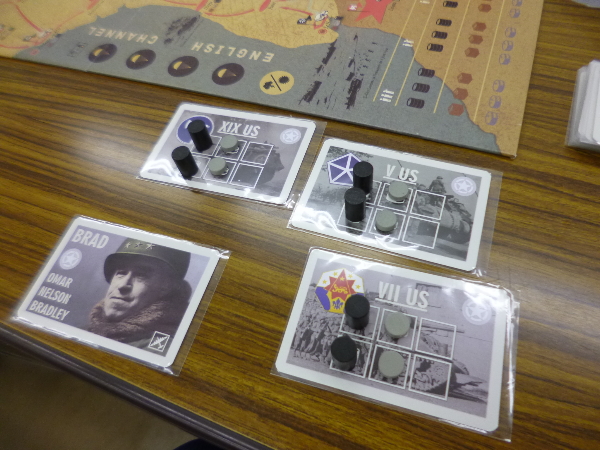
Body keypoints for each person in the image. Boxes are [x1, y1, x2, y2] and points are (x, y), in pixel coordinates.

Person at [88, 238, 192, 349]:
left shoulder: (162, 348)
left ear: (166, 287)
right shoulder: (85, 331)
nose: (122, 285)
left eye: (141, 275)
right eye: (121, 273)